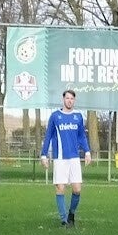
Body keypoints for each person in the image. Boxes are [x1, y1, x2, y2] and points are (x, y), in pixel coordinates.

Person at [40, 89, 91, 227]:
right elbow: (48, 136)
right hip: (60, 158)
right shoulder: (55, 116)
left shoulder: (78, 117)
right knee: (60, 188)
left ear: (74, 100)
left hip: (74, 158)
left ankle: (71, 214)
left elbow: (82, 136)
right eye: (67, 98)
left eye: (72, 99)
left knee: (77, 189)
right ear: (63, 99)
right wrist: (44, 154)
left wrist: (87, 151)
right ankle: (64, 220)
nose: (69, 101)